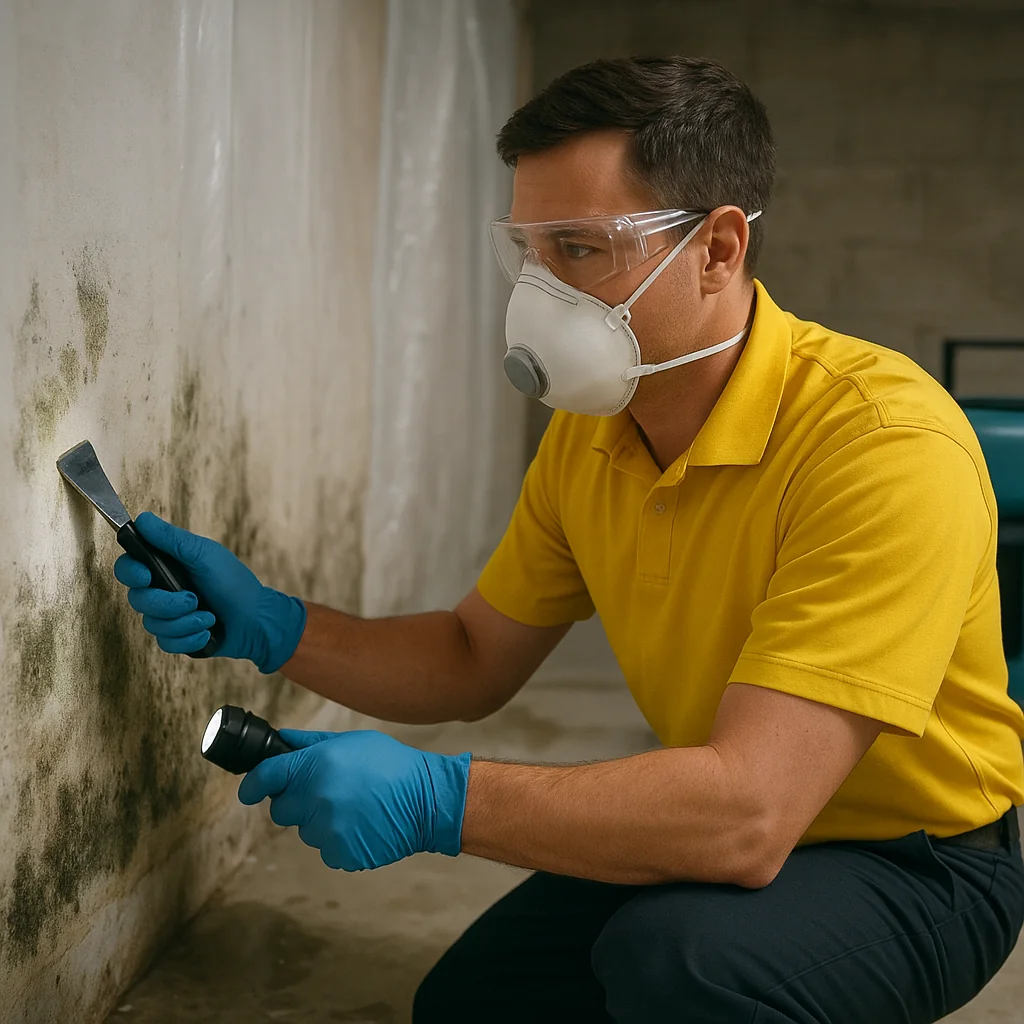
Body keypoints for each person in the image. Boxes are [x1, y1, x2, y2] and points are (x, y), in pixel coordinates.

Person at [114, 56, 1024, 1024]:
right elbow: (470, 659)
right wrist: (271, 622)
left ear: (717, 249)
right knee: (474, 1006)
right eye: (527, 250)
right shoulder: (591, 434)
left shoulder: (878, 444)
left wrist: (439, 800)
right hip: (721, 818)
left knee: (685, 965)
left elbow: (750, 813)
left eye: (580, 250)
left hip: (915, 862)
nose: (538, 291)